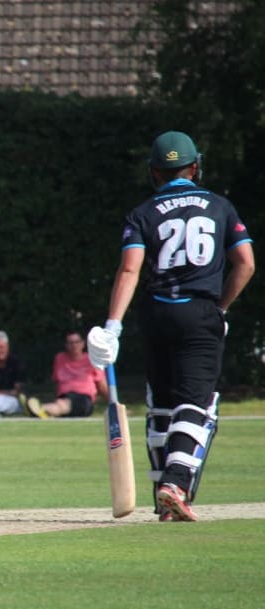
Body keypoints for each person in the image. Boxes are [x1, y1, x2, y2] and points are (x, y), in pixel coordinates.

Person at [88, 130, 254, 522]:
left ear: (154, 172)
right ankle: (175, 485)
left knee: (161, 405)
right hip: (199, 313)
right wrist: (221, 309)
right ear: (195, 167)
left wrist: (113, 326)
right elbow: (245, 263)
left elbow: (129, 269)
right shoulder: (220, 207)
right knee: (196, 404)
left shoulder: (142, 213)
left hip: (156, 313)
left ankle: (163, 492)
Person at [26, 330, 107, 419]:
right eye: (70, 343)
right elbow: (56, 382)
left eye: (77, 342)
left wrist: (115, 404)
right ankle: (42, 411)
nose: (74, 345)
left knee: (63, 405)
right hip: (64, 397)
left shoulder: (92, 359)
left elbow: (102, 386)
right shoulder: (60, 358)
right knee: (62, 404)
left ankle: (41, 409)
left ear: (83, 343)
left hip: (83, 399)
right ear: (66, 345)